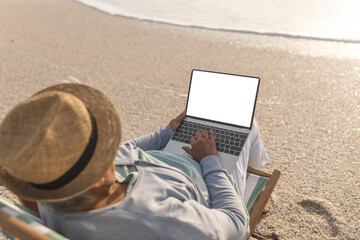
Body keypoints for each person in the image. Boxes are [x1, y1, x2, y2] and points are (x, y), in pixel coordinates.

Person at [0, 83, 268, 240]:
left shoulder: (51, 187)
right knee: (248, 124)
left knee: (209, 125)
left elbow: (125, 151)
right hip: (203, 175)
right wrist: (210, 160)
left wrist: (167, 133)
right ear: (95, 175)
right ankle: (256, 185)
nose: (110, 146)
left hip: (167, 160)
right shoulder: (166, 222)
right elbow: (235, 222)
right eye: (104, 145)